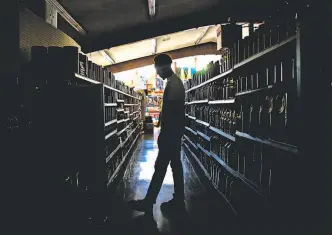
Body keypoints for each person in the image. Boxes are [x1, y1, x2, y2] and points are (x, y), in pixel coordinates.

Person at [129, 54, 185, 215]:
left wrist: (164, 133)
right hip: (172, 134)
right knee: (175, 166)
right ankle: (178, 200)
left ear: (164, 66)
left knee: (161, 167)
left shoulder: (174, 84)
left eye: (158, 69)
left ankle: (149, 202)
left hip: (171, 134)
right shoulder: (173, 83)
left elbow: (172, 113)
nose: (157, 73)